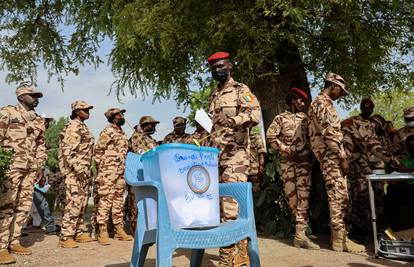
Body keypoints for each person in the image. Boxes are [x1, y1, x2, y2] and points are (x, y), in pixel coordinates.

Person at [207, 51, 261, 266]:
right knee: (221, 207)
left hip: (235, 156)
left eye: (220, 65)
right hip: (216, 157)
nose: (217, 70)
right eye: (213, 68)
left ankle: (235, 257)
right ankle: (230, 254)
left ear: (229, 66)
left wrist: (233, 119)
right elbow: (212, 126)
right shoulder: (213, 95)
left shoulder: (241, 90)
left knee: (231, 207)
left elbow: (255, 115)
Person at [308, 72, 365, 253]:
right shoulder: (323, 103)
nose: (340, 94)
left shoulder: (317, 103)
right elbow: (330, 133)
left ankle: (339, 239)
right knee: (338, 196)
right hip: (331, 156)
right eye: (340, 90)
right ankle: (340, 241)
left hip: (326, 155)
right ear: (333, 86)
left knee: (337, 195)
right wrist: (342, 156)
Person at [266, 88, 319, 249]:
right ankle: (299, 230)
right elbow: (271, 137)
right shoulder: (280, 118)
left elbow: (313, 136)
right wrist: (286, 149)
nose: (303, 103)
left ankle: (300, 235)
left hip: (303, 163)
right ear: (293, 101)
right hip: (287, 163)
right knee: (292, 197)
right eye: (300, 101)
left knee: (304, 195)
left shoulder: (305, 118)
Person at [0, 82, 46, 264]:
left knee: (24, 206)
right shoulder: (7, 112)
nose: (36, 99)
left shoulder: (37, 120)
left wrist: (40, 165)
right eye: (32, 95)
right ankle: (1, 246)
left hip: (30, 169)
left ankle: (14, 241)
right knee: (6, 204)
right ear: (21, 96)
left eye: (37, 96)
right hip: (11, 167)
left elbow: (41, 144)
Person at [341, 99, 396, 236]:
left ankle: (379, 228)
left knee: (379, 198)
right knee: (360, 197)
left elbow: (387, 149)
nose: (375, 126)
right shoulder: (356, 124)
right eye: (374, 124)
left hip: (378, 172)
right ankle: (359, 229)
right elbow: (365, 150)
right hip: (360, 169)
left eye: (378, 125)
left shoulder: (383, 135)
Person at [58, 101, 95, 248]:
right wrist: (79, 169)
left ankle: (77, 232)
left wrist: (87, 169)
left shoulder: (82, 126)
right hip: (75, 172)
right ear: (76, 111)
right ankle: (66, 236)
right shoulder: (73, 126)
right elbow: (68, 150)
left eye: (88, 109)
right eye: (84, 110)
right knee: (74, 202)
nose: (87, 112)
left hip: (83, 171)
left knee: (82, 202)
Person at [94, 108, 132, 245]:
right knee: (105, 200)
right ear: (113, 117)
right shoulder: (107, 131)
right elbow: (98, 150)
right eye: (119, 115)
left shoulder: (122, 133)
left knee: (118, 201)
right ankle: (102, 230)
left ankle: (118, 229)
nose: (122, 116)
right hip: (108, 172)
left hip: (120, 172)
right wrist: (102, 169)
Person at [125, 115, 160, 233]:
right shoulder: (137, 138)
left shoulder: (149, 139)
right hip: (138, 176)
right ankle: (136, 230)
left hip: (149, 176)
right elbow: (141, 155)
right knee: (136, 203)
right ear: (144, 126)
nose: (154, 127)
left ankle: (148, 228)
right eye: (152, 125)